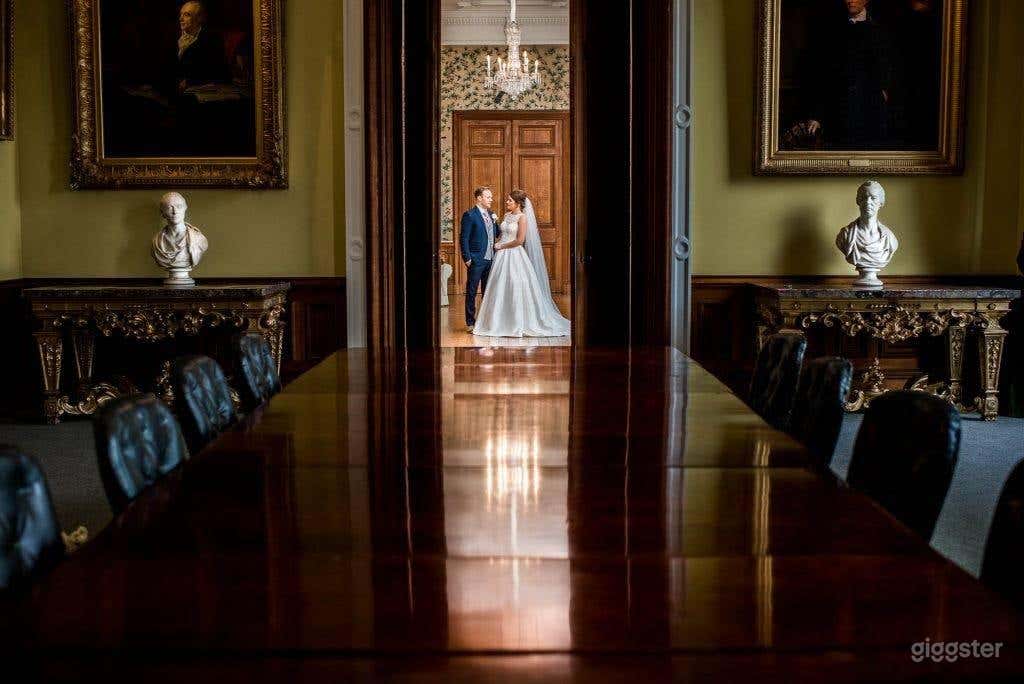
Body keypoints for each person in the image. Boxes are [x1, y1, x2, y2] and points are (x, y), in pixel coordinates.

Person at [471, 190, 571, 338]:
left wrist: (501, 246)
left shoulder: (522, 218)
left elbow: (519, 240)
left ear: (518, 203)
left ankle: (517, 322)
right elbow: (501, 233)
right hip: (501, 257)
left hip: (514, 254)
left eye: (510, 200)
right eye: (508, 200)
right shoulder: (506, 216)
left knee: (516, 285)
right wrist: (497, 243)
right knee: (498, 287)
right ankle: (497, 322)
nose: (507, 202)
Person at [800, 0, 896, 149]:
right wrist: (816, 115)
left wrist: (884, 92)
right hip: (838, 113)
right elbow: (820, 76)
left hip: (871, 112)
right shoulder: (830, 30)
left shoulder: (881, 30)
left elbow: (887, 71)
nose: (850, 0)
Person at [835, 180, 899, 287]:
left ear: (881, 203)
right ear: (858, 201)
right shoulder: (845, 235)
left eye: (873, 198)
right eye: (864, 197)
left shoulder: (890, 239)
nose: (868, 202)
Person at [459, 187, 496, 332]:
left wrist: (496, 223)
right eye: (488, 197)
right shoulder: (470, 215)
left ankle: (486, 321)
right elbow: (464, 238)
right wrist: (467, 258)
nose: (491, 199)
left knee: (488, 291)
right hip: (476, 259)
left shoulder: (492, 214)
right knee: (472, 291)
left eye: (491, 197)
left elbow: (496, 233)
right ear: (479, 198)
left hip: (491, 259)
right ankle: (470, 322)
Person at [152, 192, 209, 285]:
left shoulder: (198, 239)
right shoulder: (156, 242)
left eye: (179, 206)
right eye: (169, 207)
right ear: (162, 213)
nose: (175, 211)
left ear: (185, 208)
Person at [176, 1, 229, 94]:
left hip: (198, 91)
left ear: (199, 18)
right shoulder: (175, 37)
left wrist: (190, 82)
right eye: (181, 14)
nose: (181, 18)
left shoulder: (212, 39)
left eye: (186, 15)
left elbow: (217, 72)